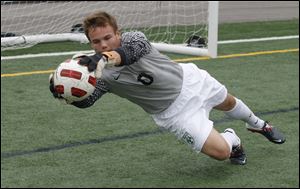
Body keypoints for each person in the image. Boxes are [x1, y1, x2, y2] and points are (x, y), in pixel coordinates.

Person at [49, 11, 285, 165]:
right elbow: (88, 100)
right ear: (90, 43)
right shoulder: (97, 73)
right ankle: (233, 139)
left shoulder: (133, 39)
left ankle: (258, 124)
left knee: (229, 103)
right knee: (221, 153)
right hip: (173, 113)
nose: (102, 45)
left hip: (191, 81)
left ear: (117, 33)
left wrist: (105, 58)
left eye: (107, 38)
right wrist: (66, 93)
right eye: (96, 42)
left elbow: (131, 53)